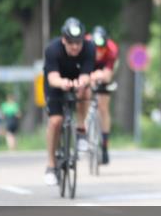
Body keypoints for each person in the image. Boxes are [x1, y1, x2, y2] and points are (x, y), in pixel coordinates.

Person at [42, 17, 95, 185]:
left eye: (78, 43)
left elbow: (86, 75)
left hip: (77, 80)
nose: (75, 46)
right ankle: (51, 165)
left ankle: (80, 131)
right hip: (56, 83)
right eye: (71, 42)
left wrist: (81, 82)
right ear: (63, 40)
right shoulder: (53, 49)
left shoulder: (89, 48)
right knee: (56, 121)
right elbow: (52, 78)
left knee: (86, 89)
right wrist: (62, 83)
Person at [88, 25, 119, 165]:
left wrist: (101, 77)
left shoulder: (112, 49)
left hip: (104, 69)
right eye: (96, 49)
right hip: (88, 66)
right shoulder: (85, 45)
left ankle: (105, 145)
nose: (99, 52)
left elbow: (108, 75)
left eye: (102, 49)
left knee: (103, 107)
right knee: (84, 93)